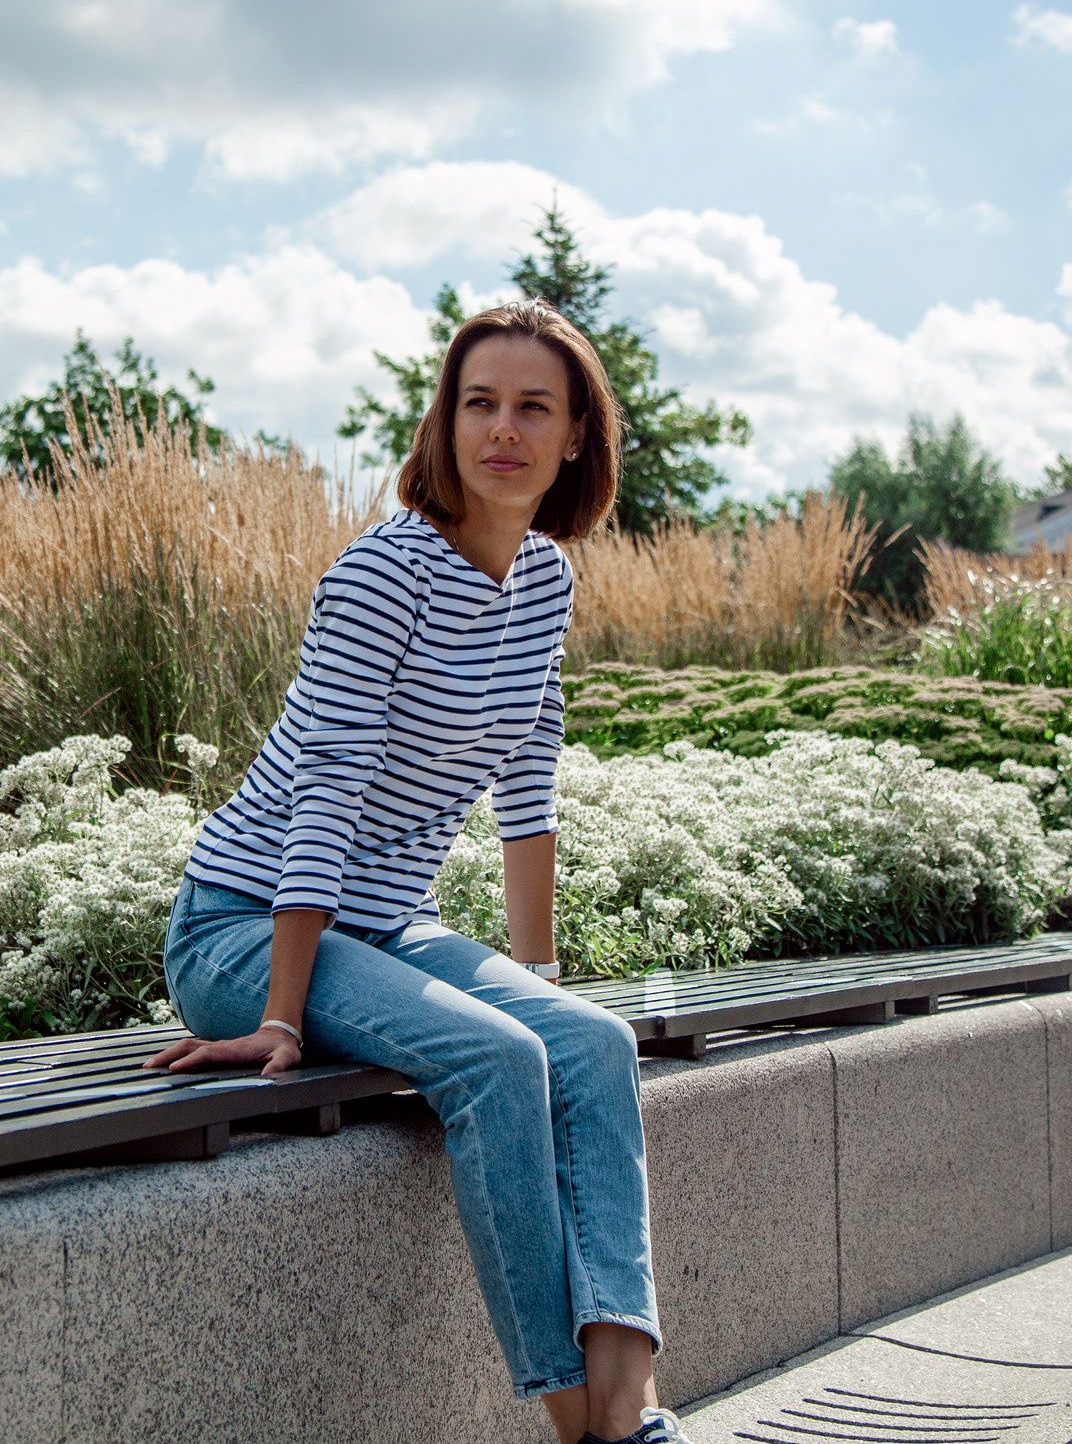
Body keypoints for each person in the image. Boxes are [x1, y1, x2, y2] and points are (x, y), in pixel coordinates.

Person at [147, 302, 684, 1444]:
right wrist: (280, 1017)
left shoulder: (542, 580)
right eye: (476, 402)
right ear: (444, 423)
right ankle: (572, 1423)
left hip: (388, 926)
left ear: (578, 434)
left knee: (586, 1040)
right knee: (497, 1060)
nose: (502, 428)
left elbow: (527, 785)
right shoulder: (381, 577)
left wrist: (536, 971)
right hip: (244, 931)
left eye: (533, 406)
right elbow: (321, 794)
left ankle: (629, 1397)